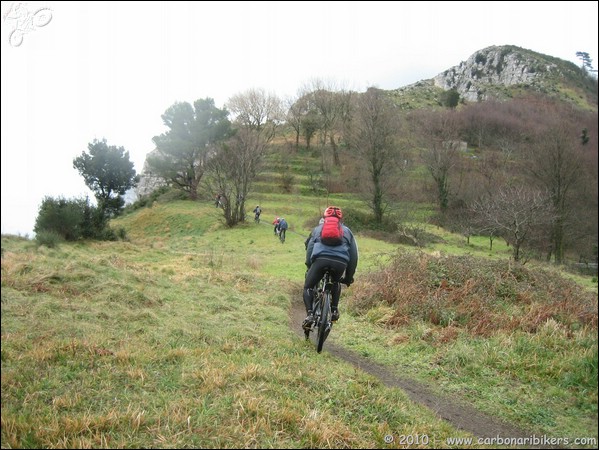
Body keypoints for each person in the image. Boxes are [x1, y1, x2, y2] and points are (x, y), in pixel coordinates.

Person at [303, 206, 358, 327]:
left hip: (320, 260)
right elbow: (354, 257)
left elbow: (310, 249)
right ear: (340, 219)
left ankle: (310, 315)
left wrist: (309, 265)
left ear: (325, 217)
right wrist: (349, 277)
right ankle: (334, 310)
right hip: (340, 263)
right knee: (336, 282)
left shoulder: (318, 229)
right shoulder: (347, 232)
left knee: (308, 286)